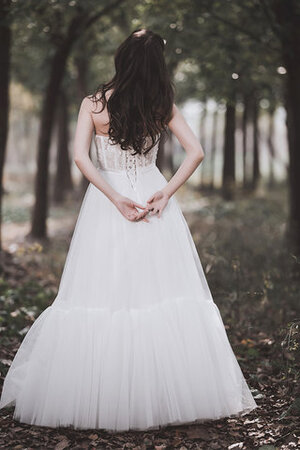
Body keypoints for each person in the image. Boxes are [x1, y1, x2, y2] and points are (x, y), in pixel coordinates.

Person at [0, 29, 257, 431]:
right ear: (157, 66)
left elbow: (80, 159)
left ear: (122, 58)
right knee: (160, 291)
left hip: (109, 201)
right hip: (153, 199)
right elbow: (197, 152)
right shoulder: (161, 103)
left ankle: (105, 394)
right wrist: (166, 193)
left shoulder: (94, 103)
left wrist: (113, 197)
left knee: (103, 290)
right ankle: (166, 394)